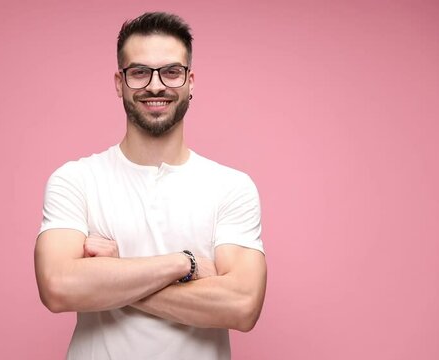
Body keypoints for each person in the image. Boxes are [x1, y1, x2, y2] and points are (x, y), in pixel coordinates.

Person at [34, 12, 267, 360]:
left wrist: (112, 276)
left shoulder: (231, 187)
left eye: (171, 72)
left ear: (190, 81)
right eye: (139, 72)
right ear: (119, 82)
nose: (155, 86)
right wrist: (184, 263)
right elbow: (58, 287)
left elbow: (242, 305)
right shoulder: (76, 180)